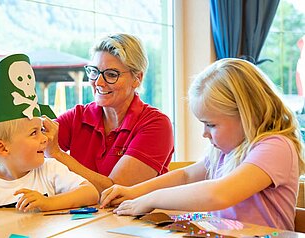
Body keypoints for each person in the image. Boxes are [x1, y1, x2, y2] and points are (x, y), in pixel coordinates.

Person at [0, 33, 174, 194]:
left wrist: (55, 153)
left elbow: (115, 192)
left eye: (112, 74)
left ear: (137, 78)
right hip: (79, 223)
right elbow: (20, 162)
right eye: (93, 71)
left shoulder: (156, 125)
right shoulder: (77, 117)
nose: (99, 82)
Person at [100, 58, 305, 231]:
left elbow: (219, 194)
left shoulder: (276, 147)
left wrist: (151, 199)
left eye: (211, 124)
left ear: (246, 115)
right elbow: (186, 175)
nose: (204, 133)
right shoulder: (226, 151)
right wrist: (134, 192)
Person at [0, 54, 99, 211]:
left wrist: (48, 203)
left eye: (41, 130)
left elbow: (90, 193)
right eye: (34, 133)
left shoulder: (49, 169)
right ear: (2, 148)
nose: (45, 138)